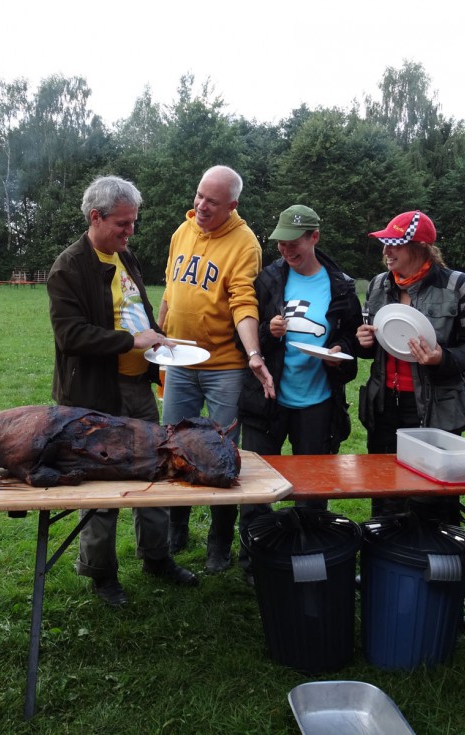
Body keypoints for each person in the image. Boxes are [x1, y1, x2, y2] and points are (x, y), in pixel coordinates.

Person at [47, 175, 198, 607]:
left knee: (154, 472)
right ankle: (101, 573)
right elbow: (70, 336)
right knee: (101, 486)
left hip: (137, 388)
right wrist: (131, 343)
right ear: (96, 217)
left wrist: (158, 337)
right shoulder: (69, 268)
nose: (130, 232)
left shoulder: (124, 257)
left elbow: (138, 311)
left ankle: (157, 557)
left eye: (133, 223)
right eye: (123, 224)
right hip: (95, 393)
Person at [158, 165, 275, 573]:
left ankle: (220, 541)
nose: (201, 206)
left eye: (212, 201)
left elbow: (244, 302)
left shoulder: (245, 244)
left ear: (232, 205)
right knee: (172, 444)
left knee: (223, 452)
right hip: (178, 362)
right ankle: (176, 529)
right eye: (199, 195)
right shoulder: (182, 231)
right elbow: (171, 291)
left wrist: (254, 354)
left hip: (224, 366)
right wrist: (159, 336)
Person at [237, 204, 364, 579]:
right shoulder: (269, 280)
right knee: (257, 487)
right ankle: (254, 563)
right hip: (268, 398)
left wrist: (340, 355)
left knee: (313, 489)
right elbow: (243, 336)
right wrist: (267, 333)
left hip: (318, 402)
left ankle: (312, 558)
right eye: (281, 245)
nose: (288, 251)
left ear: (314, 237)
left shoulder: (340, 285)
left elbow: (352, 341)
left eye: (295, 243)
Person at [355, 210, 465, 525]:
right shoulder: (378, 286)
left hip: (436, 410)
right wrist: (364, 342)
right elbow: (376, 348)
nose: (386, 252)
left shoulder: (458, 286)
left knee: (434, 498)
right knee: (385, 492)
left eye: (395, 245)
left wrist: (442, 359)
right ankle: (387, 563)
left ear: (420, 247)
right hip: (384, 407)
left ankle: (436, 567)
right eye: (384, 244)